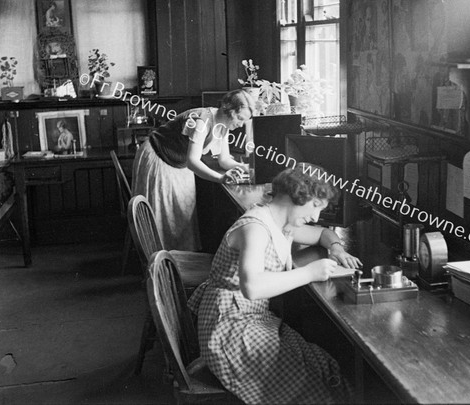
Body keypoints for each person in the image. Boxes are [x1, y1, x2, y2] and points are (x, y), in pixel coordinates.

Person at [188, 164, 363, 404]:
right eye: (315, 206)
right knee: (309, 381)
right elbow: (252, 287)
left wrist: (336, 248)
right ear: (299, 195)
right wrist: (309, 273)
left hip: (249, 319)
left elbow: (323, 233)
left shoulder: (282, 224)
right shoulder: (256, 228)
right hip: (229, 330)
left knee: (321, 363)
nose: (315, 216)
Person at [132, 89, 254, 251]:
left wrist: (245, 167)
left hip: (177, 160)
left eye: (245, 121)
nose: (241, 124)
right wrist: (220, 178)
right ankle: (162, 260)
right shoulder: (202, 121)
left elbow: (224, 160)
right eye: (239, 118)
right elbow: (192, 161)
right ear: (227, 110)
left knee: (182, 213)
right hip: (159, 156)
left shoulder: (223, 124)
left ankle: (177, 257)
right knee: (166, 213)